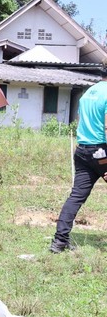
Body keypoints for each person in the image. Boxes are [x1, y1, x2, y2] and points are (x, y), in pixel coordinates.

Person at [50, 61, 107, 253]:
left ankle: (59, 242)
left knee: (76, 196)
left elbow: (81, 122)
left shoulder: (88, 93)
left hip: (83, 150)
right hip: (102, 150)